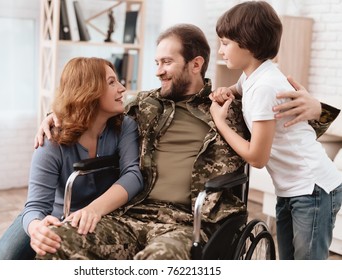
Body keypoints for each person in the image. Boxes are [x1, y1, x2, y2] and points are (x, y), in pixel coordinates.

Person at [34, 24, 338, 260]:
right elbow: (92, 102)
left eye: (167, 62)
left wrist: (316, 108)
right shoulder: (142, 104)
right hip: (134, 214)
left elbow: (291, 136)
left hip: (190, 224)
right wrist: (54, 116)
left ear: (195, 64)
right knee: (58, 243)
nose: (158, 71)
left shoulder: (230, 107)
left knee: (158, 262)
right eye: (156, 62)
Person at [210, 1, 342, 260]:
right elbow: (238, 90)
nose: (221, 49)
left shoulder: (264, 85)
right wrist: (226, 92)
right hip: (291, 188)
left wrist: (221, 123)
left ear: (248, 43)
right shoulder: (252, 77)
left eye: (226, 43)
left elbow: (257, 158)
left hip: (312, 188)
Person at [0, 57, 143, 259]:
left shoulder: (125, 126)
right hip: (54, 215)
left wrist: (93, 210)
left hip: (103, 214)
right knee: (4, 257)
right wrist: (36, 227)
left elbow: (133, 175)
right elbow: (35, 206)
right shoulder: (51, 140)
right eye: (112, 82)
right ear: (89, 90)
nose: (122, 88)